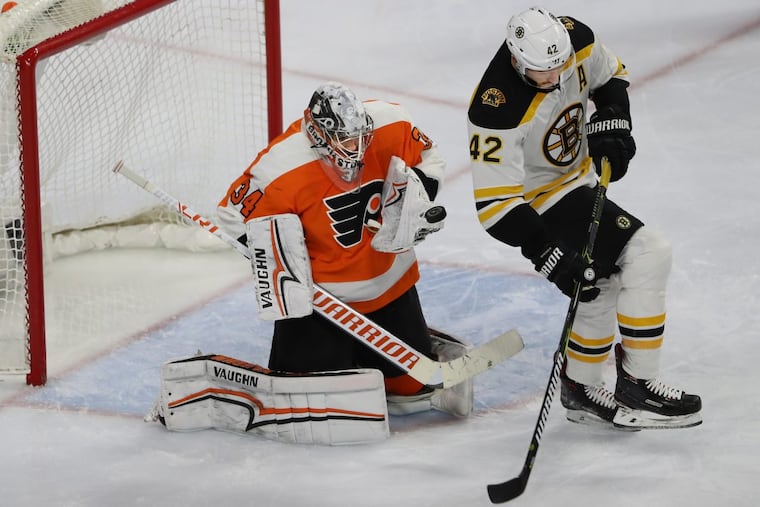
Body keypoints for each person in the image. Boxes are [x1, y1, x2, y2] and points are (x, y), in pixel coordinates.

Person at [466, 7, 701, 429]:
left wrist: (614, 120)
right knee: (648, 252)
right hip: (536, 203)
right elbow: (495, 207)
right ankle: (638, 384)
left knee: (600, 282)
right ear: (518, 61)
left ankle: (581, 387)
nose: (555, 78)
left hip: (578, 182)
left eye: (561, 66)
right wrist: (545, 252)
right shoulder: (494, 108)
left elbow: (610, 77)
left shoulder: (577, 39)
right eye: (543, 72)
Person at [217, 81, 467, 415]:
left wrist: (413, 201)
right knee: (310, 398)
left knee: (412, 392)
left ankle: (373, 350)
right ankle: (340, 350)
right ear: (318, 132)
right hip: (323, 303)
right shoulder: (280, 166)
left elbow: (428, 156)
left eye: (360, 136)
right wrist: (279, 260)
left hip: (390, 284)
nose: (357, 146)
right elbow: (233, 215)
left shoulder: (389, 122)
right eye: (345, 139)